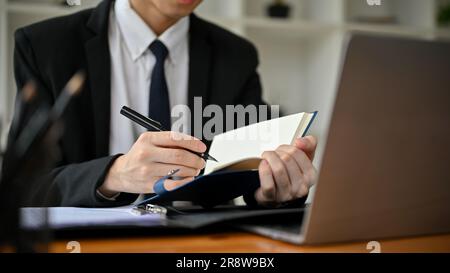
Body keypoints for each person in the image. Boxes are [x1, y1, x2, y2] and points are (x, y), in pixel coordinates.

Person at [8, 0, 318, 207]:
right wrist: (113, 175)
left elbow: (251, 172)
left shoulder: (236, 56)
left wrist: (273, 187)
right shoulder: (44, 47)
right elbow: (24, 186)